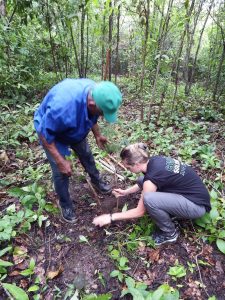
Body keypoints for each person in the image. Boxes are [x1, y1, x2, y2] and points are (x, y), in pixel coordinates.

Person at [34, 78, 122, 223]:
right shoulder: (62, 107)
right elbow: (44, 134)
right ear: (92, 104)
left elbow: (92, 116)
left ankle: (97, 181)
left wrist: (98, 135)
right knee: (61, 172)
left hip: (76, 129)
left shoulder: (96, 91)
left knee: (86, 155)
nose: (101, 117)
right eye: (102, 113)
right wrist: (61, 160)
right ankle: (65, 204)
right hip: (54, 136)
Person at [93, 143, 211, 246]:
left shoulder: (152, 177)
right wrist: (125, 192)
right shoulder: (154, 161)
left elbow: (139, 212)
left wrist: (111, 217)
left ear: (137, 164)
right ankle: (172, 213)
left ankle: (170, 233)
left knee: (149, 199)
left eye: (128, 167)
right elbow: (145, 182)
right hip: (191, 195)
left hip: (196, 206)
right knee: (142, 180)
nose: (127, 170)